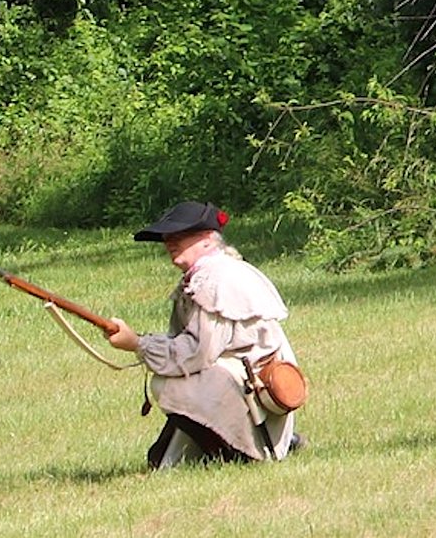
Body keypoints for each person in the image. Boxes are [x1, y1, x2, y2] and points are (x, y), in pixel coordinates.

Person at [106, 200, 304, 467]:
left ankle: (242, 451)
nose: (170, 242)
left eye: (181, 235)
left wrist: (139, 344)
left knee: (171, 384)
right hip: (239, 384)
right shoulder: (208, 275)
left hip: (252, 396)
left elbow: (196, 354)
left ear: (209, 239)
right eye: (168, 237)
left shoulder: (216, 280)